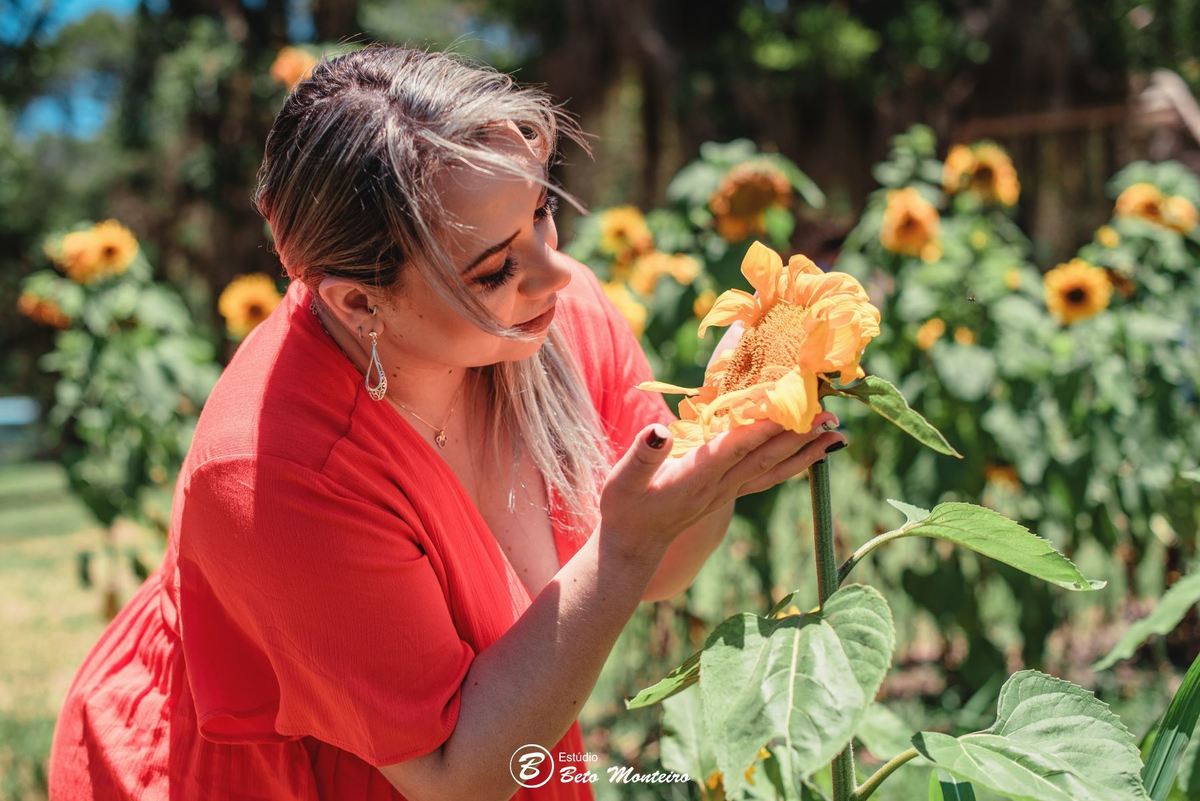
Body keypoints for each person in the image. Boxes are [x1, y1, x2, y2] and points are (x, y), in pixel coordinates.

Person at [47, 44, 846, 800]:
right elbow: (454, 772)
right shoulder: (273, 473)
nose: (555, 271)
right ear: (360, 303)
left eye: (541, 212)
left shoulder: (555, 316)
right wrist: (624, 543)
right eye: (495, 267)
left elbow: (662, 567)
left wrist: (727, 435)